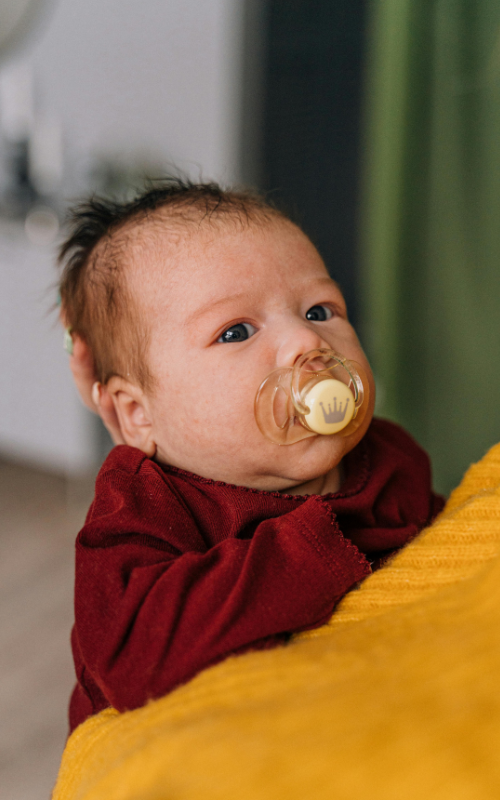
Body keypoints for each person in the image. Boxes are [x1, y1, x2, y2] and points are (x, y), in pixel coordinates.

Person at [59, 180, 444, 733]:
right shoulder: (142, 508)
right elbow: (134, 658)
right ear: (139, 416)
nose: (308, 344)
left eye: (319, 310)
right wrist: (308, 552)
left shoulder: (387, 456)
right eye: (236, 331)